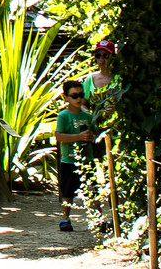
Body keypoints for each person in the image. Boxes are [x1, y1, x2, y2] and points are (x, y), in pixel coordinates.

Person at [54, 80, 95, 232]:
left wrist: (91, 136)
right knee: (67, 192)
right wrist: (79, 137)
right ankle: (65, 218)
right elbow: (59, 136)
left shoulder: (88, 116)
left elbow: (95, 132)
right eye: (74, 95)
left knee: (92, 189)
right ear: (65, 97)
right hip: (69, 159)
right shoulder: (64, 116)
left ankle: (98, 218)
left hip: (87, 158)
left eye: (81, 95)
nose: (78, 99)